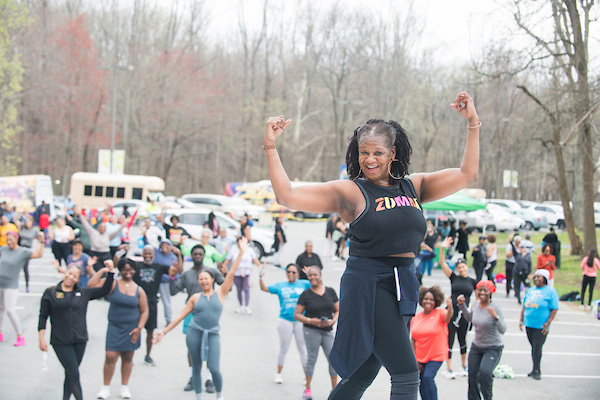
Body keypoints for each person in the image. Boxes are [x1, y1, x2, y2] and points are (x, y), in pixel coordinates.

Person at [264, 91, 479, 399]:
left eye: (378, 153)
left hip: (404, 281)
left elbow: (467, 174)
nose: (369, 160)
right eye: (364, 153)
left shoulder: (413, 186)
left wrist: (472, 122)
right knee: (406, 375)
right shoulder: (351, 191)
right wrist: (271, 146)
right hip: (370, 284)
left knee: (364, 372)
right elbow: (287, 196)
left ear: (393, 152)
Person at [153, 238, 250, 400]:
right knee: (196, 367)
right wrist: (164, 332)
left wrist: (241, 252)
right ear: (198, 281)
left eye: (207, 278)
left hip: (212, 333)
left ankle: (219, 395)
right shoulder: (195, 298)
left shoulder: (220, 293)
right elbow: (180, 317)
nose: (204, 281)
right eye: (201, 279)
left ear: (212, 280)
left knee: (214, 367)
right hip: (194, 332)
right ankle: (199, 396)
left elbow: (232, 272)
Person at [38, 260, 116, 400]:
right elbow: (43, 316)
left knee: (70, 373)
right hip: (60, 340)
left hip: (79, 339)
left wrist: (110, 272)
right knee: (74, 373)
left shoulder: (83, 293)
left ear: (78, 279)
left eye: (75, 276)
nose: (70, 277)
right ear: (64, 272)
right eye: (69, 273)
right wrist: (41, 339)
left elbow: (104, 290)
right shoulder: (51, 292)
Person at [89, 259, 149, 400]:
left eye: (130, 270)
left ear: (134, 271)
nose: (127, 273)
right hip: (115, 326)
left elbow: (145, 311)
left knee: (128, 358)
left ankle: (124, 386)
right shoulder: (113, 283)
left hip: (132, 328)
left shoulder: (139, 290)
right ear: (120, 270)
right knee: (110, 357)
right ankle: (105, 387)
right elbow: (91, 286)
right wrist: (104, 271)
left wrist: (139, 328)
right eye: (124, 270)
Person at [114, 243, 182, 366]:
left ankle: (148, 355)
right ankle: (130, 355)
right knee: (133, 329)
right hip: (135, 301)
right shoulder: (136, 266)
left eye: (150, 253)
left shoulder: (159, 267)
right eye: (145, 253)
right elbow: (118, 265)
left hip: (151, 302)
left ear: (154, 255)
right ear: (142, 254)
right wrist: (119, 252)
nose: (147, 255)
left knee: (150, 330)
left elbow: (177, 270)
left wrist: (178, 255)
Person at [170, 244, 225, 393]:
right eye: (195, 254)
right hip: (191, 314)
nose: (198, 257)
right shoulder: (187, 274)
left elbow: (225, 286)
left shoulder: (210, 272)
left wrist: (224, 273)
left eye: (200, 254)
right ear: (191, 256)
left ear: (204, 255)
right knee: (192, 347)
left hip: (207, 313)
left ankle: (208, 379)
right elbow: (174, 291)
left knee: (209, 347)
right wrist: (172, 276)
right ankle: (192, 377)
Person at [259, 263, 311, 384]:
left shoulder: (303, 284)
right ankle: (278, 373)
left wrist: (309, 276)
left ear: (298, 274)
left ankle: (306, 376)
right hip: (285, 320)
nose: (291, 274)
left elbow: (317, 285)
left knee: (302, 349)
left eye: (293, 272)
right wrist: (260, 277)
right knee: (283, 348)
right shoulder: (280, 286)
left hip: (300, 321)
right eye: (288, 272)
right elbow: (264, 288)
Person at [294, 267, 339, 400]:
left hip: (327, 331)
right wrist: (310, 320)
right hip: (311, 330)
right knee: (311, 359)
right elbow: (296, 314)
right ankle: (307, 389)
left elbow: (337, 310)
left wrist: (332, 321)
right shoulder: (306, 294)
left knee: (333, 360)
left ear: (320, 275)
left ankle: (335, 390)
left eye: (315, 275)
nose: (312, 277)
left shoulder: (330, 291)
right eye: (310, 275)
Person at [457, 280, 506, 399]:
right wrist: (462, 305)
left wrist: (496, 317)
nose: (482, 292)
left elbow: (503, 329)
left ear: (491, 292)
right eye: (480, 290)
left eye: (485, 290)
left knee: (484, 373)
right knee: (472, 375)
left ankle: (487, 397)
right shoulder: (477, 305)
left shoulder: (495, 307)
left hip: (493, 347)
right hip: (477, 347)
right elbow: (469, 318)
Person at [438, 237, 476, 379]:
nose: (461, 269)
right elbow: (442, 263)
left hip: (465, 314)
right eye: (459, 267)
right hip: (452, 311)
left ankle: (464, 365)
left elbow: (479, 297)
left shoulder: (472, 281)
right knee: (450, 339)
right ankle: (449, 368)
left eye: (463, 266)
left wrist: (471, 308)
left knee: (462, 339)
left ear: (467, 267)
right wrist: (443, 248)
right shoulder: (454, 278)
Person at [1, 231, 45, 345]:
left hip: (11, 286)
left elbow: (39, 254)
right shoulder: (3, 249)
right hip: (1, 284)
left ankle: (20, 336)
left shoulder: (23, 252)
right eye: (7, 240)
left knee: (10, 310)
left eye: (11, 239)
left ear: (16, 239)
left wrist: (42, 241)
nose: (9, 242)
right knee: (0, 309)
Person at [410, 286, 452, 400]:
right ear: (421, 300)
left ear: (436, 302)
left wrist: (450, 305)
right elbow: (413, 339)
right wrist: (415, 358)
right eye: (426, 299)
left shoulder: (440, 313)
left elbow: (449, 316)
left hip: (436, 355)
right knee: (421, 381)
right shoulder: (416, 318)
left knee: (428, 377)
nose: (428, 301)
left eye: (431, 299)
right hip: (420, 356)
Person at [519, 269, 559, 380]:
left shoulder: (550, 292)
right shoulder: (530, 290)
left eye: (539, 277)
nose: (536, 279)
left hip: (541, 325)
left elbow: (554, 309)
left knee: (537, 347)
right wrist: (521, 320)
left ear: (545, 279)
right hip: (529, 323)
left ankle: (537, 370)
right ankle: (534, 367)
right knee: (533, 347)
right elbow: (524, 306)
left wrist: (548, 323)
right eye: (535, 277)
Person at [224, 236, 261, 315]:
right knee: (239, 289)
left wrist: (260, 266)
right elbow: (228, 260)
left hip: (246, 272)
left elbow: (255, 259)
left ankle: (247, 306)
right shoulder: (234, 250)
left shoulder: (249, 250)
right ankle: (241, 305)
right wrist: (223, 267)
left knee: (246, 289)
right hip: (237, 273)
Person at [153, 239, 183, 326]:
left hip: (165, 282)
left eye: (167, 245)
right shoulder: (156, 253)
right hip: (155, 280)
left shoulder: (173, 257)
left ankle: (169, 319)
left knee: (166, 301)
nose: (165, 247)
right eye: (163, 245)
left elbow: (178, 270)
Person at [18, 215, 39, 292]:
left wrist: (38, 248)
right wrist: (20, 212)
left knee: (25, 268)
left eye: (29, 221)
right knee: (16, 266)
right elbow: (16, 220)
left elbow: (40, 239)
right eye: (26, 221)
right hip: (20, 248)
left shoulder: (34, 230)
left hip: (27, 250)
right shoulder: (22, 227)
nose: (27, 223)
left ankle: (27, 285)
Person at [505, 234, 521, 298]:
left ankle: (516, 293)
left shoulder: (521, 247)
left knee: (517, 279)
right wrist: (513, 249)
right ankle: (507, 292)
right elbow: (507, 255)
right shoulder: (510, 246)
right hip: (510, 263)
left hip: (517, 264)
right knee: (508, 278)